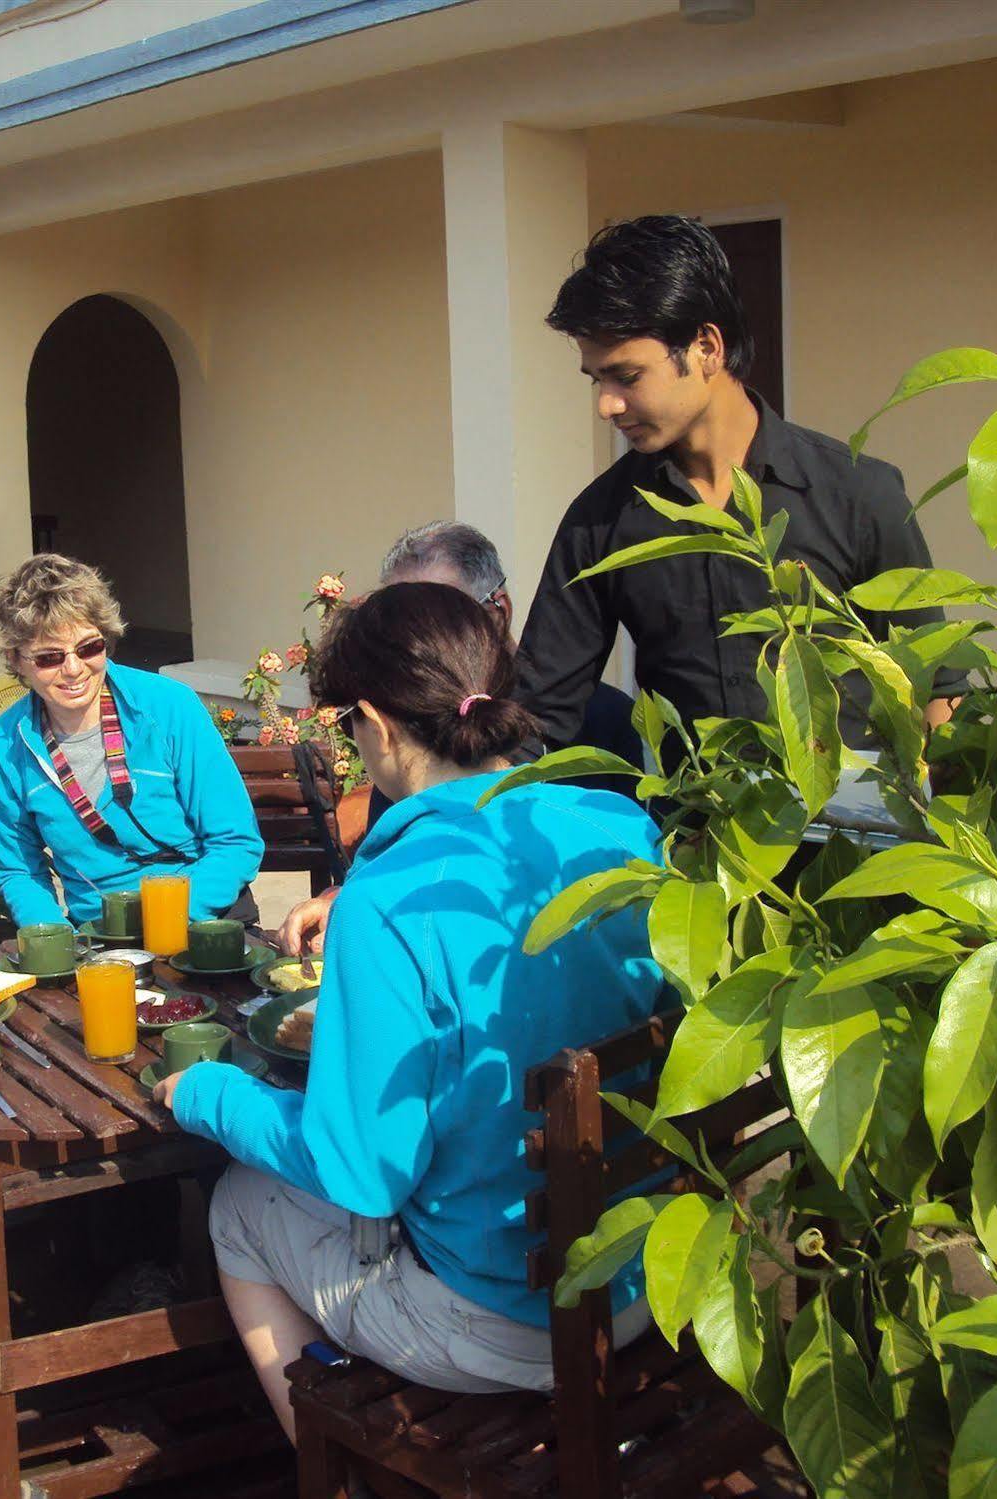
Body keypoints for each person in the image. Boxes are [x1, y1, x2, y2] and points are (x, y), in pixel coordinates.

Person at [155, 582, 665, 1438]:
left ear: (374, 722)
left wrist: (208, 1094)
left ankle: (342, 1461)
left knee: (240, 1205)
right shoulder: (618, 825)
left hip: (511, 1323)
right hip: (649, 1271)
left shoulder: (387, 896)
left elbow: (362, 1172)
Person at [517, 215, 962, 756]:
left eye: (627, 377)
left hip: (857, 834)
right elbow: (539, 719)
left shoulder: (858, 494)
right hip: (695, 833)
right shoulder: (600, 521)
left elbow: (940, 686)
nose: (607, 404)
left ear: (706, 347)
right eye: (598, 380)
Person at [277, 520, 639, 959]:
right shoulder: (626, 827)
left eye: (433, 617)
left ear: (497, 610)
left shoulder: (601, 720)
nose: (411, 647)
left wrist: (370, 917)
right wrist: (344, 900)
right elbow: (392, 863)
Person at [0, 553, 264, 928]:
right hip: (99, 937)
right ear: (17, 660)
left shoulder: (169, 707)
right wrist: (59, 945)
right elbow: (20, 870)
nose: (74, 669)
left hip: (204, 918)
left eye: (89, 648)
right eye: (49, 657)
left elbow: (234, 841)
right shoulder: (2, 746)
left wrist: (165, 921)